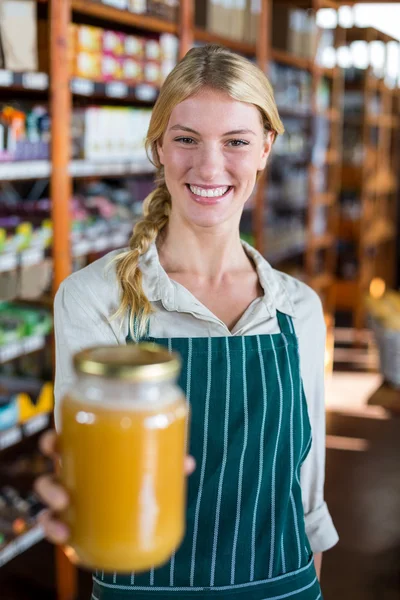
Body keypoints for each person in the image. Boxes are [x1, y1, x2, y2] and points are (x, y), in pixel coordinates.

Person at [35, 44, 338, 599]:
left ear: (266, 148)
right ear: (158, 147)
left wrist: (308, 577)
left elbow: (306, 477)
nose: (209, 166)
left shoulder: (299, 309)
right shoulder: (94, 299)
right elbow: (93, 481)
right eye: (186, 139)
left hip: (283, 583)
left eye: (236, 142)